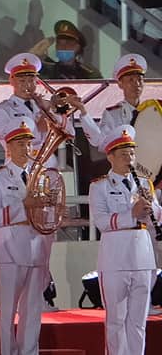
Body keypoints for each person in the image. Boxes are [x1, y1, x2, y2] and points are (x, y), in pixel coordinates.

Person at [86, 127, 156, 355]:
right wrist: (131, 214)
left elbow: (157, 217)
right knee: (116, 321)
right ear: (111, 156)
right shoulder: (100, 186)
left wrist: (152, 206)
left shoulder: (144, 184)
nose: (129, 159)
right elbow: (102, 222)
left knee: (138, 322)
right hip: (115, 259)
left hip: (142, 257)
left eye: (132, 154)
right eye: (124, 154)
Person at [0, 124, 48, 355]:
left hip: (36, 248)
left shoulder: (40, 176)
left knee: (32, 310)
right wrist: (22, 206)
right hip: (9, 250)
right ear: (8, 147)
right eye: (20, 144)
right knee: (7, 310)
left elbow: (45, 212)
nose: (26, 148)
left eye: (29, 143)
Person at [79, 52, 151, 150]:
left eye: (140, 79)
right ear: (120, 84)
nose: (137, 84)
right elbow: (99, 140)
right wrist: (83, 111)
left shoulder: (151, 111)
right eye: (131, 80)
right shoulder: (113, 114)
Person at [0, 53, 47, 147]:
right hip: (20, 160)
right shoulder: (2, 109)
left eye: (31, 81)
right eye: (22, 81)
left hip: (49, 159)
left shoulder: (43, 105)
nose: (27, 85)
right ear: (12, 81)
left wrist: (46, 110)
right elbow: (6, 137)